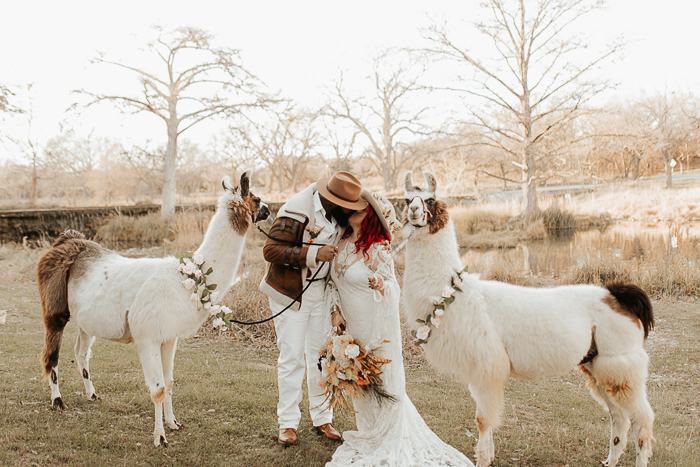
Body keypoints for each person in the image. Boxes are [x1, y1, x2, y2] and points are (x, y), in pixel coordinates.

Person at [325, 190, 474, 466]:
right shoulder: (340, 239)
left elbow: (393, 286)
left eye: (359, 209)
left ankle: (387, 433)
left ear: (370, 214)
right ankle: (369, 429)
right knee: (360, 380)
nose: (352, 212)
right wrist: (335, 313)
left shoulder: (378, 246)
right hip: (351, 326)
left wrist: (381, 285)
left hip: (375, 324)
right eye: (350, 209)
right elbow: (331, 282)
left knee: (381, 379)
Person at [260, 171, 368, 447]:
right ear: (333, 199)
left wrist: (334, 305)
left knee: (320, 357)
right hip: (290, 293)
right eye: (348, 206)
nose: (350, 212)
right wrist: (312, 254)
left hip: (321, 292)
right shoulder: (296, 209)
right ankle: (287, 423)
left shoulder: (337, 216)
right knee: (292, 357)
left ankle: (323, 418)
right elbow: (271, 250)